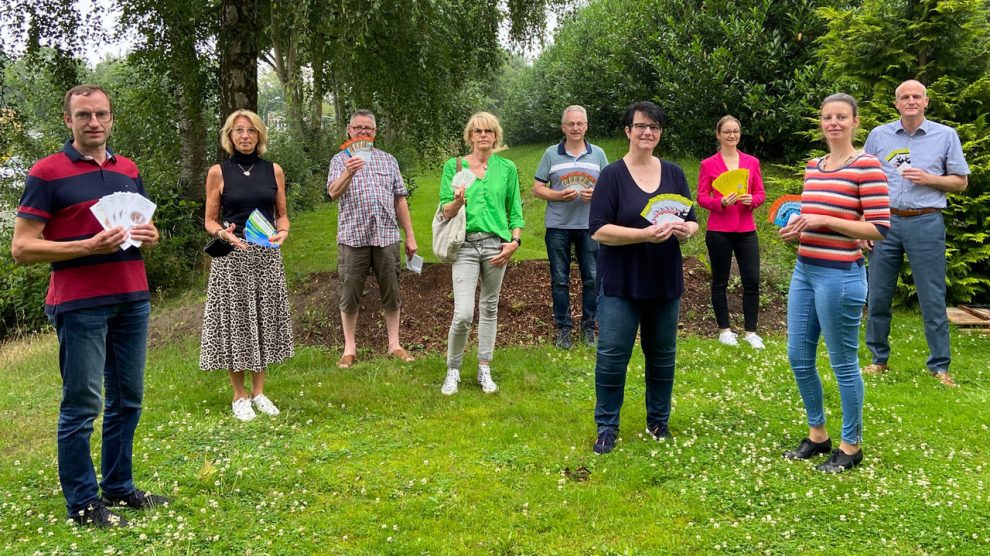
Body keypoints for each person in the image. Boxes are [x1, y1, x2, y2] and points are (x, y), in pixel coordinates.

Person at [11, 84, 170, 527]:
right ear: (68, 120)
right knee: (82, 405)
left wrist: (149, 235)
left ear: (111, 119)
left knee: (129, 400)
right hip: (79, 304)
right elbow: (22, 248)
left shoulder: (128, 169)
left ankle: (118, 488)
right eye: (84, 115)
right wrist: (86, 246)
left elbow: (138, 228)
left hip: (132, 297)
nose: (94, 122)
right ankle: (82, 504)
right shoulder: (46, 173)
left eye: (101, 114)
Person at [779, 93, 890, 473]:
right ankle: (817, 434)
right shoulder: (814, 166)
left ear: (855, 121)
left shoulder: (868, 167)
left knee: (844, 363)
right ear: (821, 123)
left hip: (841, 274)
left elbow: (877, 228)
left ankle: (851, 445)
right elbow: (812, 217)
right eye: (828, 117)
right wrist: (797, 228)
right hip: (805, 271)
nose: (834, 123)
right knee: (798, 356)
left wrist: (826, 221)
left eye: (842, 116)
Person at [588, 101, 699, 454]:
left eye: (654, 127)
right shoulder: (612, 175)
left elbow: (692, 219)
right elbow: (599, 230)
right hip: (621, 280)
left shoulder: (674, 173)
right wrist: (642, 235)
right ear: (628, 131)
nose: (647, 132)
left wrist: (686, 230)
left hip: (664, 278)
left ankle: (658, 421)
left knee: (663, 353)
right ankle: (607, 426)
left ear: (660, 133)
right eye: (640, 126)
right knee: (612, 354)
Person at [862, 80, 970, 387]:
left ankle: (939, 366)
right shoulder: (879, 136)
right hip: (885, 222)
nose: (910, 101)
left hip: (926, 221)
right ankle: (878, 359)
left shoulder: (945, 135)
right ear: (896, 104)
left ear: (926, 101)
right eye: (904, 97)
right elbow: (863, 180)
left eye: (916, 96)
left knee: (932, 296)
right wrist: (863, 221)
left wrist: (929, 178)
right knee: (879, 294)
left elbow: (961, 182)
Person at [200, 110, 294, 421]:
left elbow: (281, 214)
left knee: (263, 319)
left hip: (265, 253)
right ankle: (239, 396)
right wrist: (222, 234)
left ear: (259, 136)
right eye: (238, 130)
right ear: (229, 136)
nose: (245, 136)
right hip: (233, 255)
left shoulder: (273, 170)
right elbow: (210, 220)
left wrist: (283, 230)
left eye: (251, 131)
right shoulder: (219, 172)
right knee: (236, 322)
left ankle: (260, 392)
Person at [438, 111, 524, 395]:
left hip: (496, 246)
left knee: (489, 307)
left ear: (496, 136)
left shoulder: (507, 168)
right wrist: (457, 201)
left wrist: (514, 242)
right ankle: (453, 370)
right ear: (470, 136)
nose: (483, 136)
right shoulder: (455, 165)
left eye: (488, 131)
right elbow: (444, 211)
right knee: (463, 313)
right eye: (478, 131)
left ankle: (484, 367)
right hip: (465, 244)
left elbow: (515, 209)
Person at [327, 109, 417, 368]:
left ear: (375, 133)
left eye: (368, 128)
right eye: (358, 128)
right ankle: (349, 348)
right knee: (350, 291)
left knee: (391, 290)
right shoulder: (339, 160)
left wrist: (409, 236)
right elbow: (333, 193)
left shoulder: (388, 160)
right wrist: (349, 172)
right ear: (349, 130)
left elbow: (400, 199)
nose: (363, 132)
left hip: (387, 235)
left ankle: (394, 345)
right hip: (352, 237)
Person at [532, 105, 609, 349]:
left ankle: (589, 328)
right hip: (558, 226)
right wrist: (556, 195)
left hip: (590, 226)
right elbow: (537, 188)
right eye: (570, 124)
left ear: (586, 126)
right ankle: (563, 330)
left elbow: (610, 188)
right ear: (563, 127)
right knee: (559, 280)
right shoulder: (550, 154)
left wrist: (596, 194)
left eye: (580, 124)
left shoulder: (598, 154)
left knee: (592, 278)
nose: (575, 128)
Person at [697, 115, 767, 349]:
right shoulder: (708, 164)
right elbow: (702, 197)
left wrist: (751, 200)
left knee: (752, 280)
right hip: (719, 230)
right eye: (727, 131)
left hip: (746, 229)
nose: (731, 135)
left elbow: (760, 194)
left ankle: (751, 332)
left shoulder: (751, 162)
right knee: (720, 281)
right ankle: (724, 330)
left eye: (735, 131)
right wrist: (720, 203)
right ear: (718, 134)